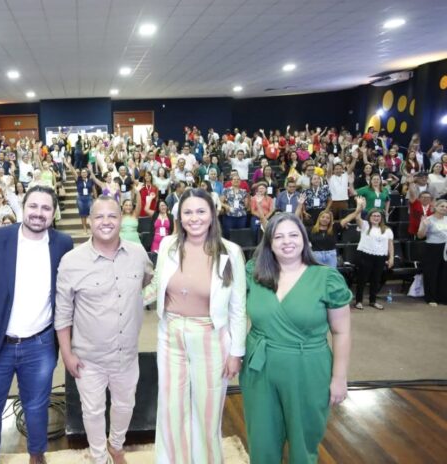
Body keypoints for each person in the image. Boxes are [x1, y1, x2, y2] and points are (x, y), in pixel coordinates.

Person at [0, 185, 74, 464]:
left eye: (46, 208)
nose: (38, 213)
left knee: (36, 407)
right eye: (33, 206)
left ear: (54, 213)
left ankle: (36, 455)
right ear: (23, 208)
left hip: (40, 344)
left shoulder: (63, 243)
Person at [143, 188, 246, 464]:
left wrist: (236, 353)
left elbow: (238, 307)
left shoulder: (231, 252)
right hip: (170, 335)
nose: (194, 218)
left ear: (212, 214)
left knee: (207, 408)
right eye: (188, 212)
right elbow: (156, 286)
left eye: (201, 211)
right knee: (171, 406)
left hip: (211, 336)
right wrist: (123, 301)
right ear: (180, 216)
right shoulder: (168, 244)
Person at [240, 212, 352, 463]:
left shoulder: (326, 278)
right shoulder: (254, 273)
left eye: (293, 235)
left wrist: (339, 378)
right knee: (261, 441)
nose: (286, 241)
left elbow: (341, 331)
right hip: (259, 367)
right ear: (269, 243)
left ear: (304, 239)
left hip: (307, 367)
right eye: (278, 236)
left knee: (303, 443)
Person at [55, 196, 153, 464]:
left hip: (127, 355)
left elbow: (146, 282)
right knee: (93, 411)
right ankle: (99, 456)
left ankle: (116, 446)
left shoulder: (138, 254)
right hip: (89, 359)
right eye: (99, 216)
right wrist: (67, 354)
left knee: (125, 405)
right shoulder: (71, 261)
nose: (106, 222)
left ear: (122, 219)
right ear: (89, 222)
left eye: (112, 216)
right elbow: (62, 313)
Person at [354, 206, 394, 310]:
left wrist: (391, 258)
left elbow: (390, 244)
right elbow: (357, 218)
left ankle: (373, 301)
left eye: (378, 216)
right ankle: (358, 301)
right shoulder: (365, 225)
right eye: (374, 215)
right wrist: (359, 207)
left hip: (381, 257)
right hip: (366, 255)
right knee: (362, 279)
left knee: (376, 280)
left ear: (381, 218)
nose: (376, 218)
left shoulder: (387, 230)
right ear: (369, 217)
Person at [309, 203, 363, 267]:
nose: (325, 219)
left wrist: (358, 210)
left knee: (331, 273)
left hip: (331, 255)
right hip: (316, 255)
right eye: (323, 217)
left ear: (330, 220)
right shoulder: (311, 229)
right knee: (317, 273)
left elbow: (347, 219)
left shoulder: (334, 227)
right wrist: (300, 205)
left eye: (328, 218)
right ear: (319, 218)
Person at [416, 199, 447, 306]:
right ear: (435, 207)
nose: (444, 208)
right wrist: (424, 225)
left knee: (444, 274)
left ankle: (443, 297)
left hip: (445, 248)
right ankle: (431, 298)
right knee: (432, 273)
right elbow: (420, 236)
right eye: (442, 206)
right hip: (432, 248)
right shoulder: (428, 219)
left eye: (446, 207)